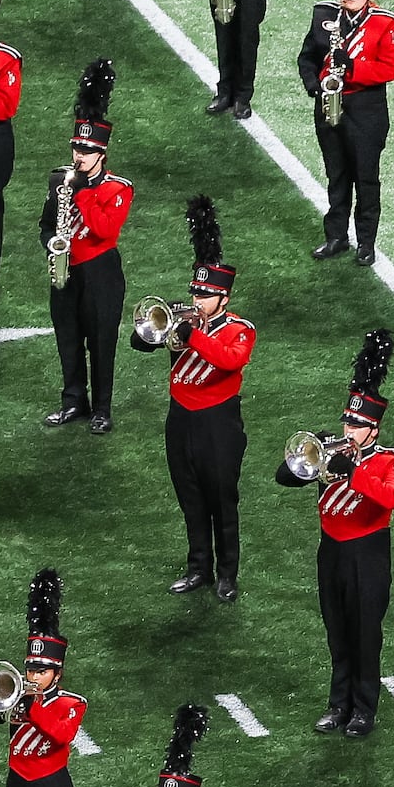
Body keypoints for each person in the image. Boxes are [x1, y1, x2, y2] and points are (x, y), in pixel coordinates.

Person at [144, 201, 254, 603]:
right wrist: (158, 326)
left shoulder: (239, 329)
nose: (198, 299)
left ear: (223, 299)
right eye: (196, 291)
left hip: (218, 422)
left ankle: (227, 574)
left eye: (205, 295)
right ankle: (197, 567)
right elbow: (141, 341)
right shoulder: (183, 321)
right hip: (181, 418)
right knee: (189, 494)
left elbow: (229, 360)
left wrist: (191, 334)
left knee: (221, 499)